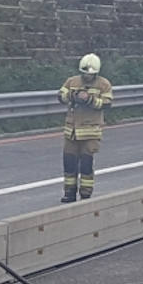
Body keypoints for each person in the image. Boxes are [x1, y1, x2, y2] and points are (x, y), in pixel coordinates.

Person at [57, 53, 113, 203]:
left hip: (90, 133)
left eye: (90, 74)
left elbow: (107, 103)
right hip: (71, 133)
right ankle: (69, 193)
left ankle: (86, 194)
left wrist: (89, 100)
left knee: (86, 166)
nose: (87, 77)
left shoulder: (103, 84)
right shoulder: (72, 81)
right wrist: (72, 95)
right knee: (69, 165)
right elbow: (60, 96)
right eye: (85, 74)